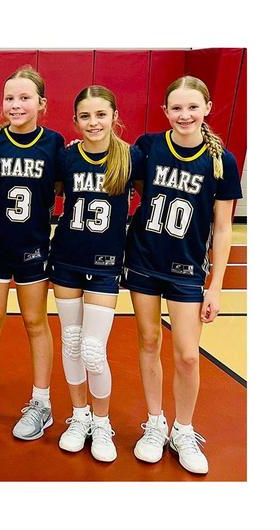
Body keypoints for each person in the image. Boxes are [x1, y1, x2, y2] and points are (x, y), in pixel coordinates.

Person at [123, 76, 241, 474]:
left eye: (193, 107)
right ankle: (155, 422)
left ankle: (184, 428)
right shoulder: (149, 146)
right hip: (143, 260)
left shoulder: (222, 161)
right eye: (177, 108)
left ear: (207, 108)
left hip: (188, 268)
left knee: (189, 355)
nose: (185, 115)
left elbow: (223, 227)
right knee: (149, 341)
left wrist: (216, 285)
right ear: (165, 111)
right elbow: (135, 186)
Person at [49, 85, 143, 462]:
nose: (93, 122)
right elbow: (47, 195)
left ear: (114, 117)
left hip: (105, 264)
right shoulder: (67, 158)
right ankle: (79, 416)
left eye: (101, 114)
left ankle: (101, 422)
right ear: (75, 121)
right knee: (71, 343)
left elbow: (149, 199)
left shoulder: (131, 157)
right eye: (85, 116)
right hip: (67, 259)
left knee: (92, 348)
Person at [0, 66, 64, 440]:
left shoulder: (55, 143)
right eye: (9, 97)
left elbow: (64, 185)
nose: (16, 104)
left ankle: (42, 402)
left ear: (41, 103)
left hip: (33, 249)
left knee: (35, 322)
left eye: (25, 98)